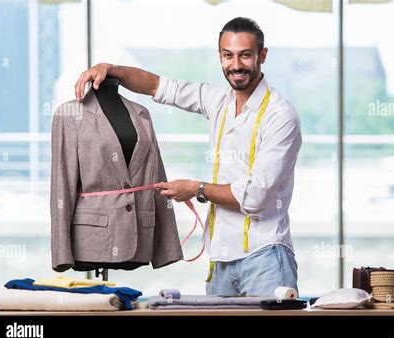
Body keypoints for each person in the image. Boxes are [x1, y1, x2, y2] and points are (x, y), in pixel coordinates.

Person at [74, 17, 302, 296]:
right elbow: (160, 86)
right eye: (228, 55)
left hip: (265, 260)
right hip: (220, 261)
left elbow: (254, 196)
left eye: (245, 55)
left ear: (262, 55)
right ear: (220, 56)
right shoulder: (219, 100)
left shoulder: (280, 116)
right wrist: (111, 69)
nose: (236, 65)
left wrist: (196, 189)